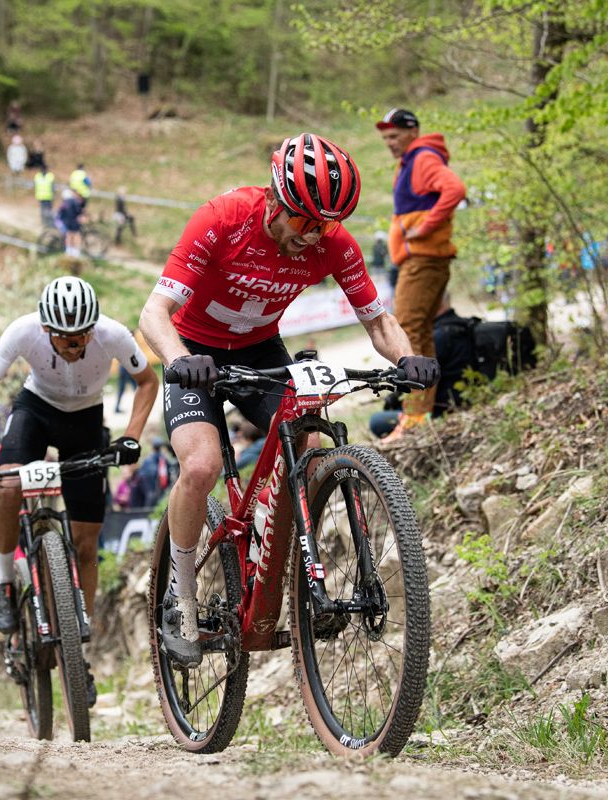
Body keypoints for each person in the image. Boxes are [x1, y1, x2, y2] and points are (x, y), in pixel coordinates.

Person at [137, 132, 440, 665]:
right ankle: (179, 594)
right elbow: (153, 314)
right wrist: (179, 359)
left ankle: (281, 544)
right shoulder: (222, 219)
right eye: (304, 221)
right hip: (196, 352)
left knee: (311, 434)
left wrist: (405, 359)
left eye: (326, 224)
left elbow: (379, 320)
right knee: (203, 465)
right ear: (276, 200)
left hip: (259, 351)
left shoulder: (333, 243)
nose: (314, 235)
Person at [0, 276, 156, 707]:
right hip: (35, 411)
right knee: (9, 483)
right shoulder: (22, 330)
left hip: (87, 420)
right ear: (45, 329)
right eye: (65, 341)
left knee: (86, 543)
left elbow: (147, 382)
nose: (75, 348)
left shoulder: (112, 333)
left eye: (82, 339)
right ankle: (3, 581)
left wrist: (131, 436)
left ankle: (79, 645)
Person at [375, 107, 466, 436]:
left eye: (394, 136)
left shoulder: (424, 157)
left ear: (412, 132)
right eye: (385, 137)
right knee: (421, 330)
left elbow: (454, 189)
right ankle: (419, 412)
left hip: (424, 259)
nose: (389, 142)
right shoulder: (410, 161)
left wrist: (425, 228)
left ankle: (415, 414)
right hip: (419, 258)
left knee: (408, 328)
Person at [369, 294, 476, 438]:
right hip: (464, 403)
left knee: (376, 420)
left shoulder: (436, 338)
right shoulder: (464, 326)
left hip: (439, 412)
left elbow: (416, 379)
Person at [57, 188, 84, 258]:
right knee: (76, 236)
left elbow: (60, 212)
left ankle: (68, 251)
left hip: (66, 222)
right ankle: (76, 252)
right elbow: (78, 211)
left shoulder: (64, 203)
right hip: (74, 221)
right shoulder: (74, 201)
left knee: (68, 236)